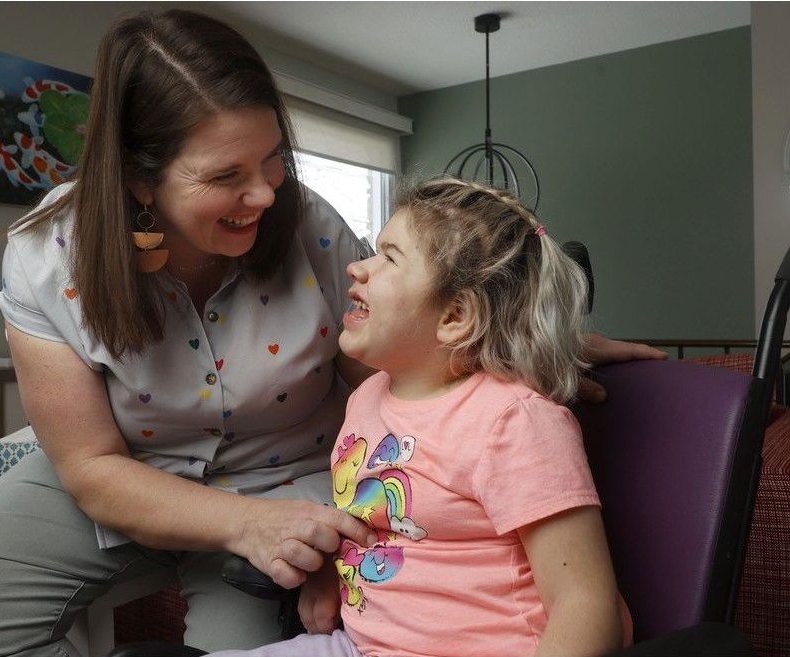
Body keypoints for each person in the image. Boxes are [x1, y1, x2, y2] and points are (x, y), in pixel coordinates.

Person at [0, 10, 662, 657]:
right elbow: (91, 468)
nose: (264, 193)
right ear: (137, 178)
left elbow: (426, 330)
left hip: (288, 472)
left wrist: (534, 339)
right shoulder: (44, 254)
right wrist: (248, 525)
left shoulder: (313, 230)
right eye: (226, 176)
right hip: (125, 472)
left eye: (274, 161)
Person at [203, 176, 636, 657]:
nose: (355, 268)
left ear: (455, 317)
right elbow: (378, 518)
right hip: (362, 644)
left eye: (389, 257)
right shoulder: (367, 398)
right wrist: (333, 570)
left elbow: (585, 602)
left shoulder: (515, 421)